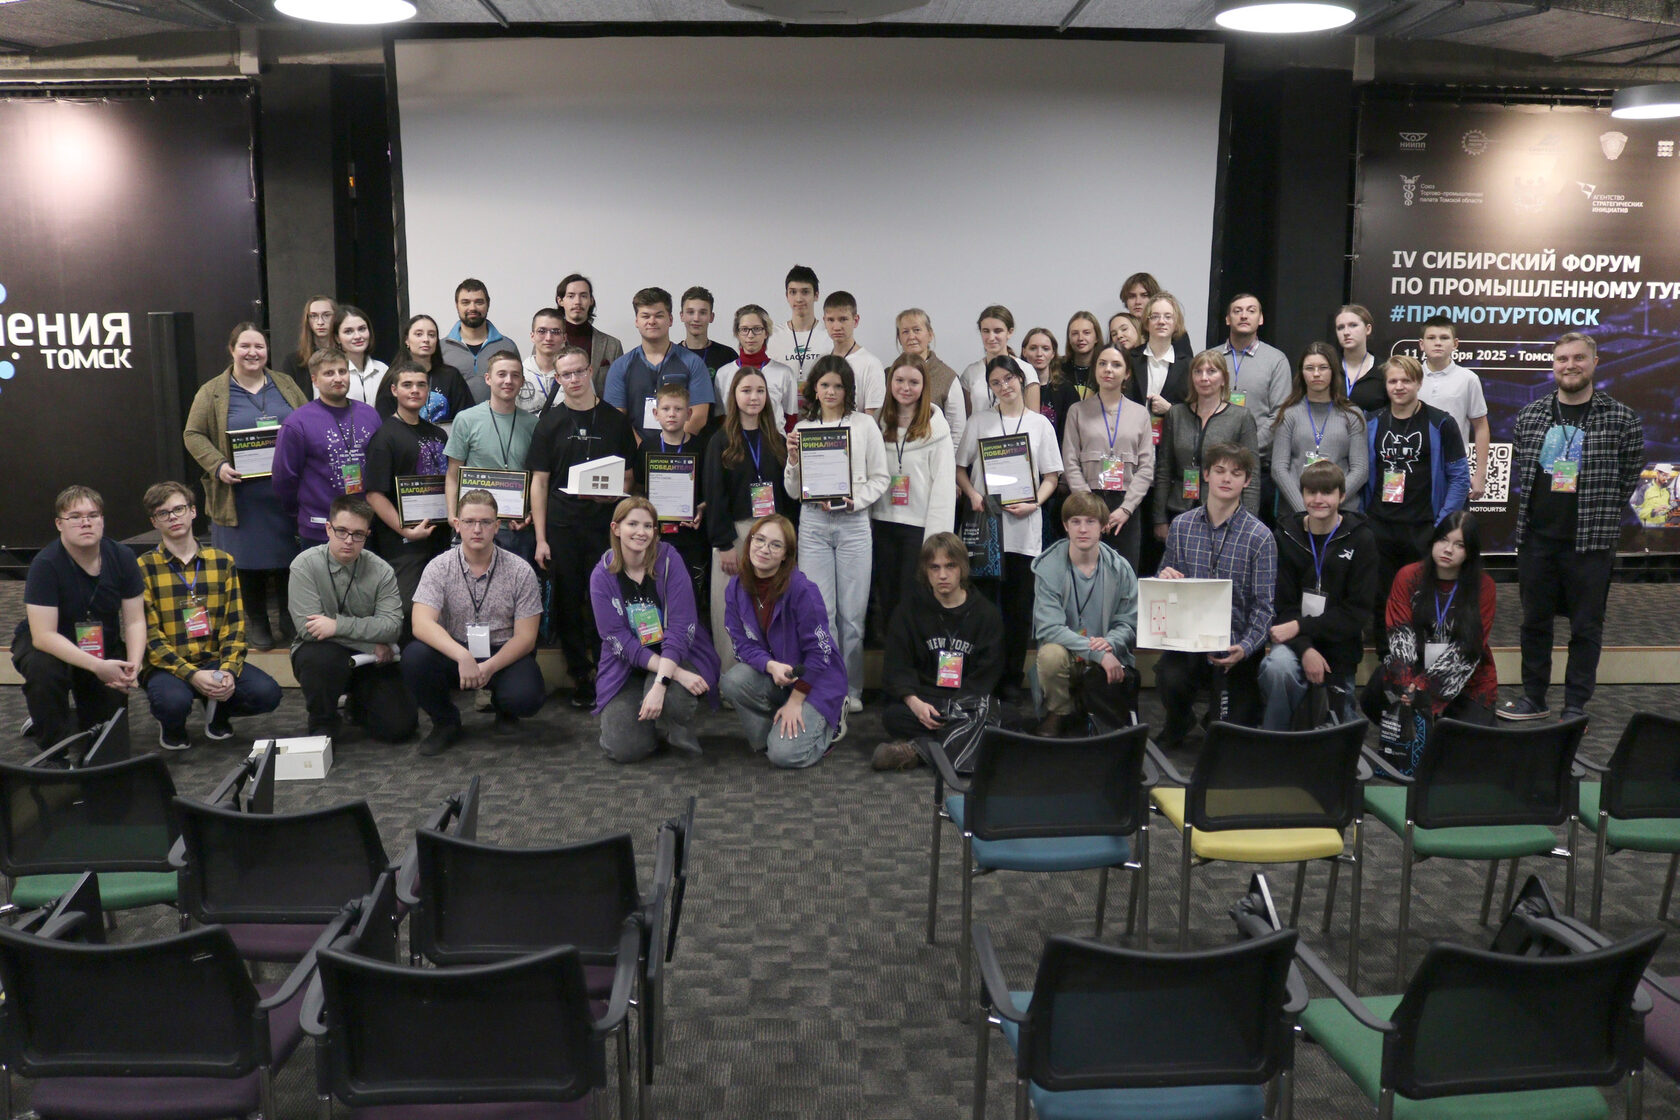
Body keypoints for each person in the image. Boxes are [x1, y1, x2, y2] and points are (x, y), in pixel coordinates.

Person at [1500, 332, 1644, 723]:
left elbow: (1628, 475)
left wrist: (1601, 512)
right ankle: (1534, 698)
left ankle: (1575, 705)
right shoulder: (1531, 415)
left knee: (1586, 628)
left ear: (1594, 362)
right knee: (1534, 623)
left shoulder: (1621, 418)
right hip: (1537, 540)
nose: (1570, 366)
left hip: (1590, 543)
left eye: (1579, 358)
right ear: (1553, 365)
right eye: (1562, 359)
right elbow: (1524, 470)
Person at [183, 322, 308, 650]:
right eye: (245, 346)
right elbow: (193, 434)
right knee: (246, 561)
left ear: (267, 351)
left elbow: (307, 420)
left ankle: (288, 617)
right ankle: (258, 621)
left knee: (289, 557)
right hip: (238, 496)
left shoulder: (285, 383)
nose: (253, 353)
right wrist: (218, 465)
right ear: (232, 349)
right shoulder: (212, 391)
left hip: (284, 495)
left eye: (259, 347)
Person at [527, 346, 639, 708]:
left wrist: (614, 494)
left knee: (605, 600)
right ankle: (580, 675)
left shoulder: (615, 420)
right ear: (557, 379)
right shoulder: (550, 423)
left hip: (605, 526)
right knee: (568, 599)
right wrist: (540, 538)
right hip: (561, 526)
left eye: (579, 371)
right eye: (566, 374)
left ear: (590, 371)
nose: (574, 379)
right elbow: (539, 482)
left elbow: (629, 476)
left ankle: (609, 669)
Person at [138, 482, 281, 750]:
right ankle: (172, 726)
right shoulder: (143, 568)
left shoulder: (222, 561)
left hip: (213, 660)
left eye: (179, 509)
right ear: (154, 522)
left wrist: (227, 671)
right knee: (172, 703)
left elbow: (234, 625)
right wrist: (192, 675)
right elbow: (151, 639)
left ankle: (217, 710)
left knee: (267, 693)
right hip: (168, 666)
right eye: (163, 513)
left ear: (193, 511)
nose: (173, 517)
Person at [784, 354, 890, 713]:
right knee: (821, 613)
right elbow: (792, 491)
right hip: (813, 524)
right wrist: (793, 460)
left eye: (838, 386)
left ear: (848, 390)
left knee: (853, 617)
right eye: (825, 385)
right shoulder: (803, 429)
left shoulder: (864, 425)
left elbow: (881, 478)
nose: (831, 392)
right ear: (814, 388)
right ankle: (826, 686)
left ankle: (851, 688)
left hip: (853, 524)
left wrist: (855, 500)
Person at [405, 489, 546, 755]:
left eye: (485, 522)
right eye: (469, 522)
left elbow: (526, 638)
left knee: (526, 696)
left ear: (497, 526)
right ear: (457, 525)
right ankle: (445, 722)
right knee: (415, 657)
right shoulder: (439, 567)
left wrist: (490, 666)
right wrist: (462, 656)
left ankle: (506, 711)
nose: (477, 529)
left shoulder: (520, 570)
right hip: (455, 650)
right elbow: (421, 624)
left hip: (502, 652)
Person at [956, 355, 1063, 701]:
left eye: (1009, 379)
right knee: (985, 608)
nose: (1004, 386)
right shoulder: (979, 421)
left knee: (1019, 609)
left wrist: (1036, 503)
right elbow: (960, 468)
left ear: (1021, 379)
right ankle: (985, 676)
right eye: (996, 382)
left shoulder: (1040, 424)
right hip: (986, 527)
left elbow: (1051, 477)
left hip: (1024, 526)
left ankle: (1011, 679)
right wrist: (973, 494)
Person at [1154, 443, 1276, 743]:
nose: (1226, 479)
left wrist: (1245, 647)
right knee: (1168, 675)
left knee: (1229, 739)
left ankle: (1219, 718)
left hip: (1235, 644)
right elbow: (1162, 583)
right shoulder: (1181, 526)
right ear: (1206, 474)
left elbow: (1264, 607)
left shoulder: (1260, 537)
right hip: (1188, 640)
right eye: (1219, 470)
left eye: (1236, 473)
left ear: (1247, 481)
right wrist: (1163, 579)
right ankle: (1181, 720)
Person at [13, 486, 145, 751]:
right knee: (44, 674)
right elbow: (43, 636)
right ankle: (53, 750)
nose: (86, 522)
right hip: (49, 645)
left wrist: (134, 665)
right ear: (59, 524)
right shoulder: (45, 564)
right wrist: (97, 666)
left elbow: (135, 621)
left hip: (99, 642)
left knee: (105, 743)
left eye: (93, 515)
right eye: (75, 517)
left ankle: (56, 717)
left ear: (102, 520)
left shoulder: (122, 557)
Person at [1364, 512, 1497, 769]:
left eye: (1459, 545)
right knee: (1374, 695)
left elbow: (1468, 649)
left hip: (1466, 677)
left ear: (1471, 552)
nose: (1448, 550)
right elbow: (1399, 634)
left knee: (1468, 751)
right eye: (1443, 540)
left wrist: (1424, 688)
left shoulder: (1484, 586)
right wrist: (1407, 684)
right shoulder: (1408, 575)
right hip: (1413, 669)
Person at [590, 498, 719, 763]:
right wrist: (676, 675)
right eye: (633, 524)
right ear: (616, 528)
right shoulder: (601, 575)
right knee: (624, 749)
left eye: (648, 526)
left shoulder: (670, 560)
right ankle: (646, 726)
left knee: (673, 699)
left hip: (678, 655)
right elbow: (618, 640)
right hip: (627, 666)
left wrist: (661, 682)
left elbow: (681, 628)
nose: (641, 532)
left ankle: (676, 725)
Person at [719, 514, 846, 766]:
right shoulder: (735, 587)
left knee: (785, 755)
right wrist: (770, 665)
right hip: (778, 676)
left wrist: (796, 701)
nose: (764, 549)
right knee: (732, 681)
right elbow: (741, 645)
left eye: (775, 545)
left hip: (816, 681)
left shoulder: (803, 590)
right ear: (749, 541)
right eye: (759, 540)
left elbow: (820, 654)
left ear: (786, 555)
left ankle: (830, 725)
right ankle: (776, 735)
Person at [872, 532, 1006, 771]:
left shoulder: (987, 614)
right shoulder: (907, 612)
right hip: (926, 702)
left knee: (1009, 718)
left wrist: (957, 710)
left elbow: (987, 674)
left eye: (950, 566)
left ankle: (919, 750)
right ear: (925, 571)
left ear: (963, 568)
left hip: (968, 704)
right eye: (934, 567)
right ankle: (968, 745)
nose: (942, 575)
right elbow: (897, 669)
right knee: (893, 716)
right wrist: (915, 704)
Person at [288, 495, 416, 742]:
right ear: (328, 529)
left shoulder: (382, 570)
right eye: (342, 531)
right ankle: (322, 721)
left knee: (401, 727)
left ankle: (358, 705)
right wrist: (369, 644)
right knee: (319, 658)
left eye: (358, 534)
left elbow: (392, 627)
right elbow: (308, 629)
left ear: (367, 535)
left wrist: (336, 625)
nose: (349, 540)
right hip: (324, 653)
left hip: (370, 662)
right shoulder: (304, 565)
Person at [1363, 354, 1469, 654]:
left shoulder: (1441, 422)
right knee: (1383, 600)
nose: (1399, 387)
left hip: (1424, 528)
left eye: (1406, 381)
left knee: (1425, 599)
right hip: (1380, 527)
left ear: (1419, 383)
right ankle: (1389, 663)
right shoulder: (1372, 422)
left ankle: (1423, 665)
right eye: (1393, 381)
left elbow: (1460, 477)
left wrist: (1443, 525)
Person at [1259, 461, 1376, 731]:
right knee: (1277, 668)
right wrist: (1306, 649)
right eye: (1311, 492)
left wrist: (1300, 626)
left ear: (1342, 496)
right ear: (1302, 495)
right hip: (1294, 643)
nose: (1318, 499)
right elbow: (1283, 605)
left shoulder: (1362, 540)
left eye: (1327, 492)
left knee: (1338, 732)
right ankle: (1275, 738)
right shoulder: (1285, 537)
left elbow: (1356, 613)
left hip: (1339, 646)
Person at [703, 366, 799, 671]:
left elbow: (789, 495)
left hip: (773, 534)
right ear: (733, 395)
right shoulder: (720, 441)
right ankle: (730, 678)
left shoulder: (777, 440)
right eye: (746, 390)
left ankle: (772, 674)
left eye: (760, 391)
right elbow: (714, 494)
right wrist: (724, 544)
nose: (754, 397)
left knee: (772, 607)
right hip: (735, 535)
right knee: (729, 610)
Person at [1031, 492, 1140, 736]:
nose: (1082, 529)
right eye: (1076, 521)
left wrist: (1110, 643)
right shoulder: (1048, 567)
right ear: (1065, 526)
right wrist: (1097, 652)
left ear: (1103, 526)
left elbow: (1128, 622)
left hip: (1107, 649)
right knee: (1050, 656)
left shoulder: (1120, 568)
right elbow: (1049, 628)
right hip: (1069, 651)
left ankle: (1094, 711)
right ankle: (1059, 711)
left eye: (1090, 522)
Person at [871, 353, 957, 639]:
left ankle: (914, 661)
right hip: (882, 524)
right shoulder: (877, 423)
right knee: (886, 602)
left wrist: (937, 541)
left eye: (913, 382)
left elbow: (943, 488)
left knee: (914, 602)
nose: (905, 388)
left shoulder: (936, 428)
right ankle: (892, 661)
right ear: (890, 383)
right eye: (899, 380)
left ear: (924, 386)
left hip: (918, 529)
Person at [363, 361, 451, 626]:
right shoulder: (384, 437)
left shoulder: (438, 434)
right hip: (403, 542)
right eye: (407, 385)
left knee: (441, 607)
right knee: (408, 609)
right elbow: (374, 495)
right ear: (394, 390)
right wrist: (407, 531)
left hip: (439, 536)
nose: (415, 390)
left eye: (421, 385)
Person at [271, 347, 383, 545]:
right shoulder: (297, 423)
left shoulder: (370, 415)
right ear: (315, 380)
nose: (338, 378)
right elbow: (284, 479)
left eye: (342, 371)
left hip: (364, 528)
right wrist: (301, 513)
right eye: (329, 373)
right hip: (319, 529)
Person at [1062, 342, 1155, 571]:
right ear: (1095, 369)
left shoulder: (1140, 414)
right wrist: (1089, 508)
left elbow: (1146, 467)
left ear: (1127, 373)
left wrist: (1126, 509)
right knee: (1086, 573)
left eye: (1116, 365)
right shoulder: (1077, 411)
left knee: (1124, 574)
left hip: (1126, 506)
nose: (1108, 370)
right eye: (1102, 364)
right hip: (1086, 503)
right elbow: (1070, 461)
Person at [1152, 349, 1261, 539]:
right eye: (1198, 372)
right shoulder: (1176, 414)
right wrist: (1159, 518)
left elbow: (1252, 473)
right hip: (1179, 508)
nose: (1204, 378)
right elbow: (1164, 469)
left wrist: (1249, 520)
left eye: (1211, 371)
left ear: (1224, 378)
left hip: (1225, 511)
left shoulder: (1241, 417)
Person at [445, 350, 539, 563]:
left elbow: (537, 479)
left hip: (516, 529)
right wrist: (453, 515)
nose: (508, 380)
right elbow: (452, 474)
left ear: (522, 381)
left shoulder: (533, 424)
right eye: (501, 374)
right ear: (488, 378)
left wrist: (530, 514)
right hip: (475, 526)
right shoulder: (466, 419)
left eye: (515, 375)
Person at [604, 286, 715, 446]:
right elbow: (616, 417)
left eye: (659, 315)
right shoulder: (620, 366)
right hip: (634, 451)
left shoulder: (693, 363)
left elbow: (698, 416)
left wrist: (670, 448)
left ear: (670, 319)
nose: (652, 321)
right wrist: (643, 449)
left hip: (681, 452)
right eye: (645, 316)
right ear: (637, 321)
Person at [1270, 341, 1369, 515]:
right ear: (1301, 372)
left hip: (1341, 512)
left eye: (1323, 367)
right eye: (1309, 368)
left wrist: (1331, 503)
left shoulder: (1352, 414)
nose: (1316, 374)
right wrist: (1305, 508)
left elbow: (1360, 470)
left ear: (1333, 371)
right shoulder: (1289, 414)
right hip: (1297, 512)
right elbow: (1279, 468)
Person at [637, 381, 711, 612]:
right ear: (655, 414)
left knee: (688, 597)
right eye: (666, 409)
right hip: (654, 537)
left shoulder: (702, 447)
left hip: (690, 537)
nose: (672, 414)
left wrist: (701, 509)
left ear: (689, 414)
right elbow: (638, 490)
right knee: (654, 596)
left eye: (678, 409)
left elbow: (711, 491)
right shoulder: (646, 447)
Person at [1220, 293, 1292, 519]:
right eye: (1237, 311)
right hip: (1216, 466)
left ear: (1260, 319)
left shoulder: (1276, 360)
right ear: (1227, 319)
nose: (1244, 315)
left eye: (1251, 311)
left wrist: (1246, 450)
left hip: (1258, 467)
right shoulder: (1211, 359)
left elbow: (1279, 414)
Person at [1416, 315, 1492, 500]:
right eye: (1431, 338)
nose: (1438, 343)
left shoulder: (1468, 379)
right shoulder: (1410, 377)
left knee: (1451, 518)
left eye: (1444, 337)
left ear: (1455, 343)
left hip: (1453, 467)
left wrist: (1480, 474)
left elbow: (1481, 427)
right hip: (1414, 464)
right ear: (1421, 344)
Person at [375, 313, 475, 424]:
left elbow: (467, 418)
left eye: (431, 335)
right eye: (419, 334)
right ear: (407, 340)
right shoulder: (394, 377)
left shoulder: (451, 376)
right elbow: (384, 421)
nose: (426, 339)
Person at [715, 303, 800, 433]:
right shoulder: (723, 374)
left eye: (757, 329)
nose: (750, 335)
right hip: (735, 443)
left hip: (774, 443)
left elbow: (791, 420)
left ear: (766, 332)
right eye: (744, 329)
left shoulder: (784, 374)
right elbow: (721, 418)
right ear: (737, 333)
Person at [895, 307, 967, 452]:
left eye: (917, 330)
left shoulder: (947, 377)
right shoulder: (889, 376)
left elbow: (957, 432)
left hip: (934, 458)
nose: (911, 336)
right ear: (899, 338)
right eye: (905, 331)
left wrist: (945, 461)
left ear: (930, 334)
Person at [439, 279, 519, 404]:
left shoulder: (508, 346)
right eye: (465, 302)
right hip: (453, 417)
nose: (472, 308)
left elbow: (517, 390)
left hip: (499, 416)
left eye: (479, 302)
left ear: (488, 304)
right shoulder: (440, 348)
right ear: (456, 305)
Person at [960, 305, 1041, 414]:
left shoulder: (1026, 370)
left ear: (1009, 332)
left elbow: (1034, 419)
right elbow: (967, 418)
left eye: (997, 331)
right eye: (986, 331)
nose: (991, 337)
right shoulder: (971, 373)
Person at [556, 273, 626, 397]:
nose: (577, 302)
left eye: (583, 296)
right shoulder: (547, 342)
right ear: (560, 301)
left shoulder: (612, 345)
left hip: (600, 408)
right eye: (571, 296)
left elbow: (619, 391)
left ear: (591, 300)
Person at [822, 291, 887, 416]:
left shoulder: (871, 364)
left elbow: (872, 419)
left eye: (843, 319)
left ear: (855, 320)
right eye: (831, 320)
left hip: (857, 428)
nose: (836, 327)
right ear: (824, 321)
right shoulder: (822, 363)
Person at [767, 264, 833, 386]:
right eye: (793, 292)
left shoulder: (830, 335)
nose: (798, 299)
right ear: (787, 296)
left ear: (816, 295)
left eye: (805, 292)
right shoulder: (772, 336)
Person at [1128, 292, 1191, 416]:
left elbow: (1193, 410)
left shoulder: (1188, 365)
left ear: (1176, 323)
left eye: (1168, 317)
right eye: (1155, 316)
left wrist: (1170, 409)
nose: (1161, 321)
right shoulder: (1130, 359)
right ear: (1146, 323)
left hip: (1171, 428)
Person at [1118, 271, 1193, 359]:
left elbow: (1186, 364)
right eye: (1132, 296)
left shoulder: (1175, 334)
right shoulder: (1120, 331)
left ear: (1153, 298)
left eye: (1144, 295)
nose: (1138, 302)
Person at [677, 285, 739, 381]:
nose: (696, 318)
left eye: (702, 313)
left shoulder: (728, 356)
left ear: (711, 317)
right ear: (682, 316)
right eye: (690, 312)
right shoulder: (671, 356)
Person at [1335, 304, 1388, 414]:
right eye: (1340, 327)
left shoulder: (1383, 370)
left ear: (1368, 329)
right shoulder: (1328, 367)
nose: (1346, 332)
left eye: (1353, 325)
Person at [516, 307, 568, 416]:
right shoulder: (518, 374)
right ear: (532, 336)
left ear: (564, 338)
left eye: (555, 332)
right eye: (541, 331)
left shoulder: (576, 374)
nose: (548, 338)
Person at [1023, 328, 1071, 442]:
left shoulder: (1066, 389)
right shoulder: (1015, 388)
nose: (1039, 354)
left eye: (1045, 349)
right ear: (1024, 352)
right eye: (1033, 348)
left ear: (1053, 353)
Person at [334, 305, 387, 405]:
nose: (357, 336)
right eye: (348, 331)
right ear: (337, 338)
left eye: (362, 329)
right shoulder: (331, 373)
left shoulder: (382, 369)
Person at [283, 295, 337, 393]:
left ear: (336, 317)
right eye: (314, 316)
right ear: (307, 320)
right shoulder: (294, 362)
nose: (320, 322)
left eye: (326, 315)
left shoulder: (347, 355)